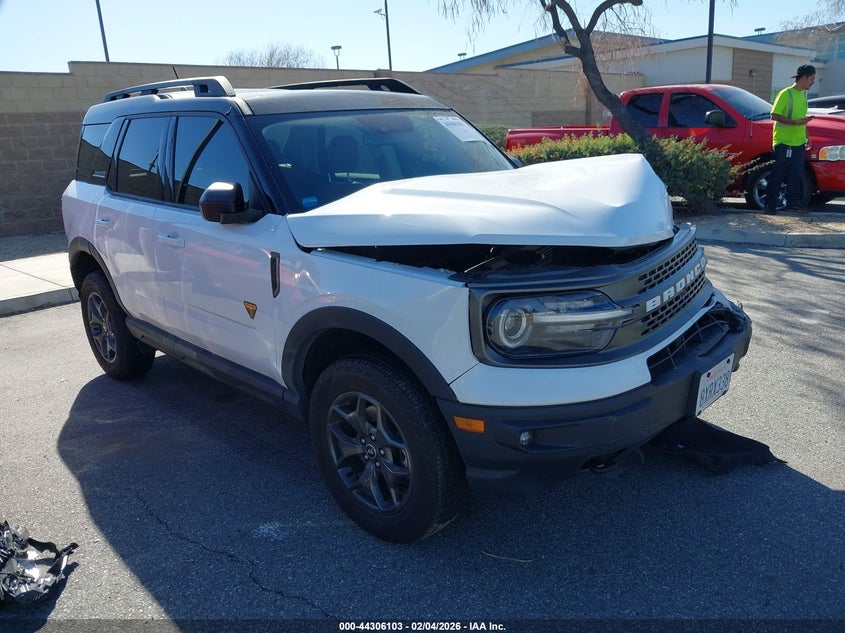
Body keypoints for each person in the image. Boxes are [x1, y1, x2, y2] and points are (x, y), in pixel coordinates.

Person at [765, 64, 816, 213]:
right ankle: (770, 204)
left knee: (796, 174)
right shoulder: (785, 94)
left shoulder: (803, 96)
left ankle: (793, 204)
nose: (813, 82)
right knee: (778, 174)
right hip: (784, 142)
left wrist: (807, 137)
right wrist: (794, 123)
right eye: (811, 79)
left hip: (799, 143)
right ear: (804, 77)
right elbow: (774, 115)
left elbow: (802, 120)